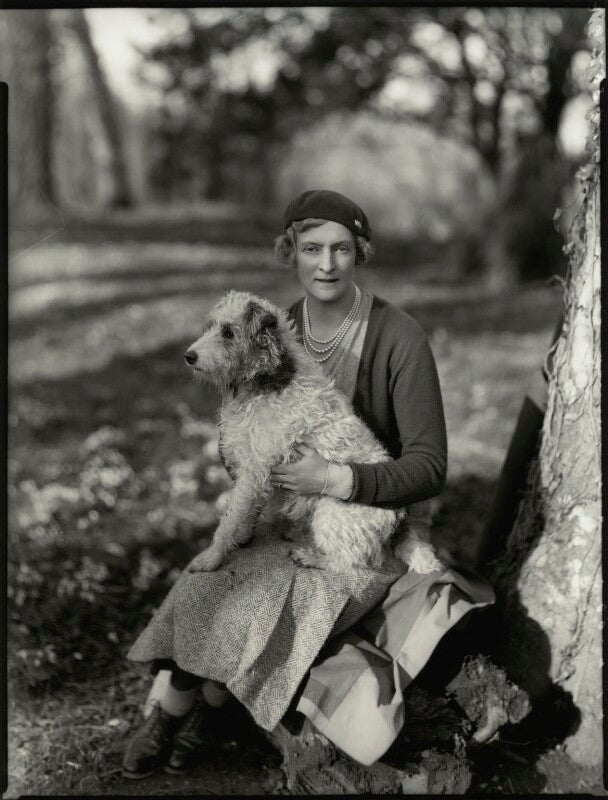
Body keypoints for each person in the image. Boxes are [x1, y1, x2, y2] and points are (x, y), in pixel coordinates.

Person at [122, 189, 493, 777]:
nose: (326, 264)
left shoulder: (400, 338)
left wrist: (335, 477)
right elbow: (243, 450)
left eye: (341, 249)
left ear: (360, 253)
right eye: (310, 248)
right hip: (288, 515)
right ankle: (178, 707)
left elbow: (429, 468)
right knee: (205, 580)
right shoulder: (271, 328)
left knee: (261, 595)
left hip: (364, 527)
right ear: (289, 251)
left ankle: (211, 711)